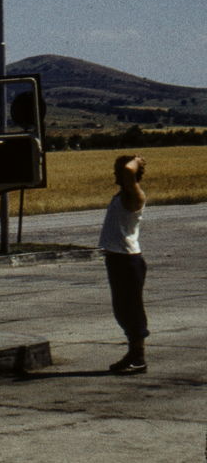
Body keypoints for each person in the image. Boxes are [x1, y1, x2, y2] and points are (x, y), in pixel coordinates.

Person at [99, 154, 148, 374]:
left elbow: (129, 172)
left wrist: (136, 161)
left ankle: (139, 357)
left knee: (131, 309)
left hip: (127, 260)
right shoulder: (121, 196)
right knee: (122, 310)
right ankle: (133, 353)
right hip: (116, 259)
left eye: (118, 170)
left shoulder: (135, 196)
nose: (116, 174)